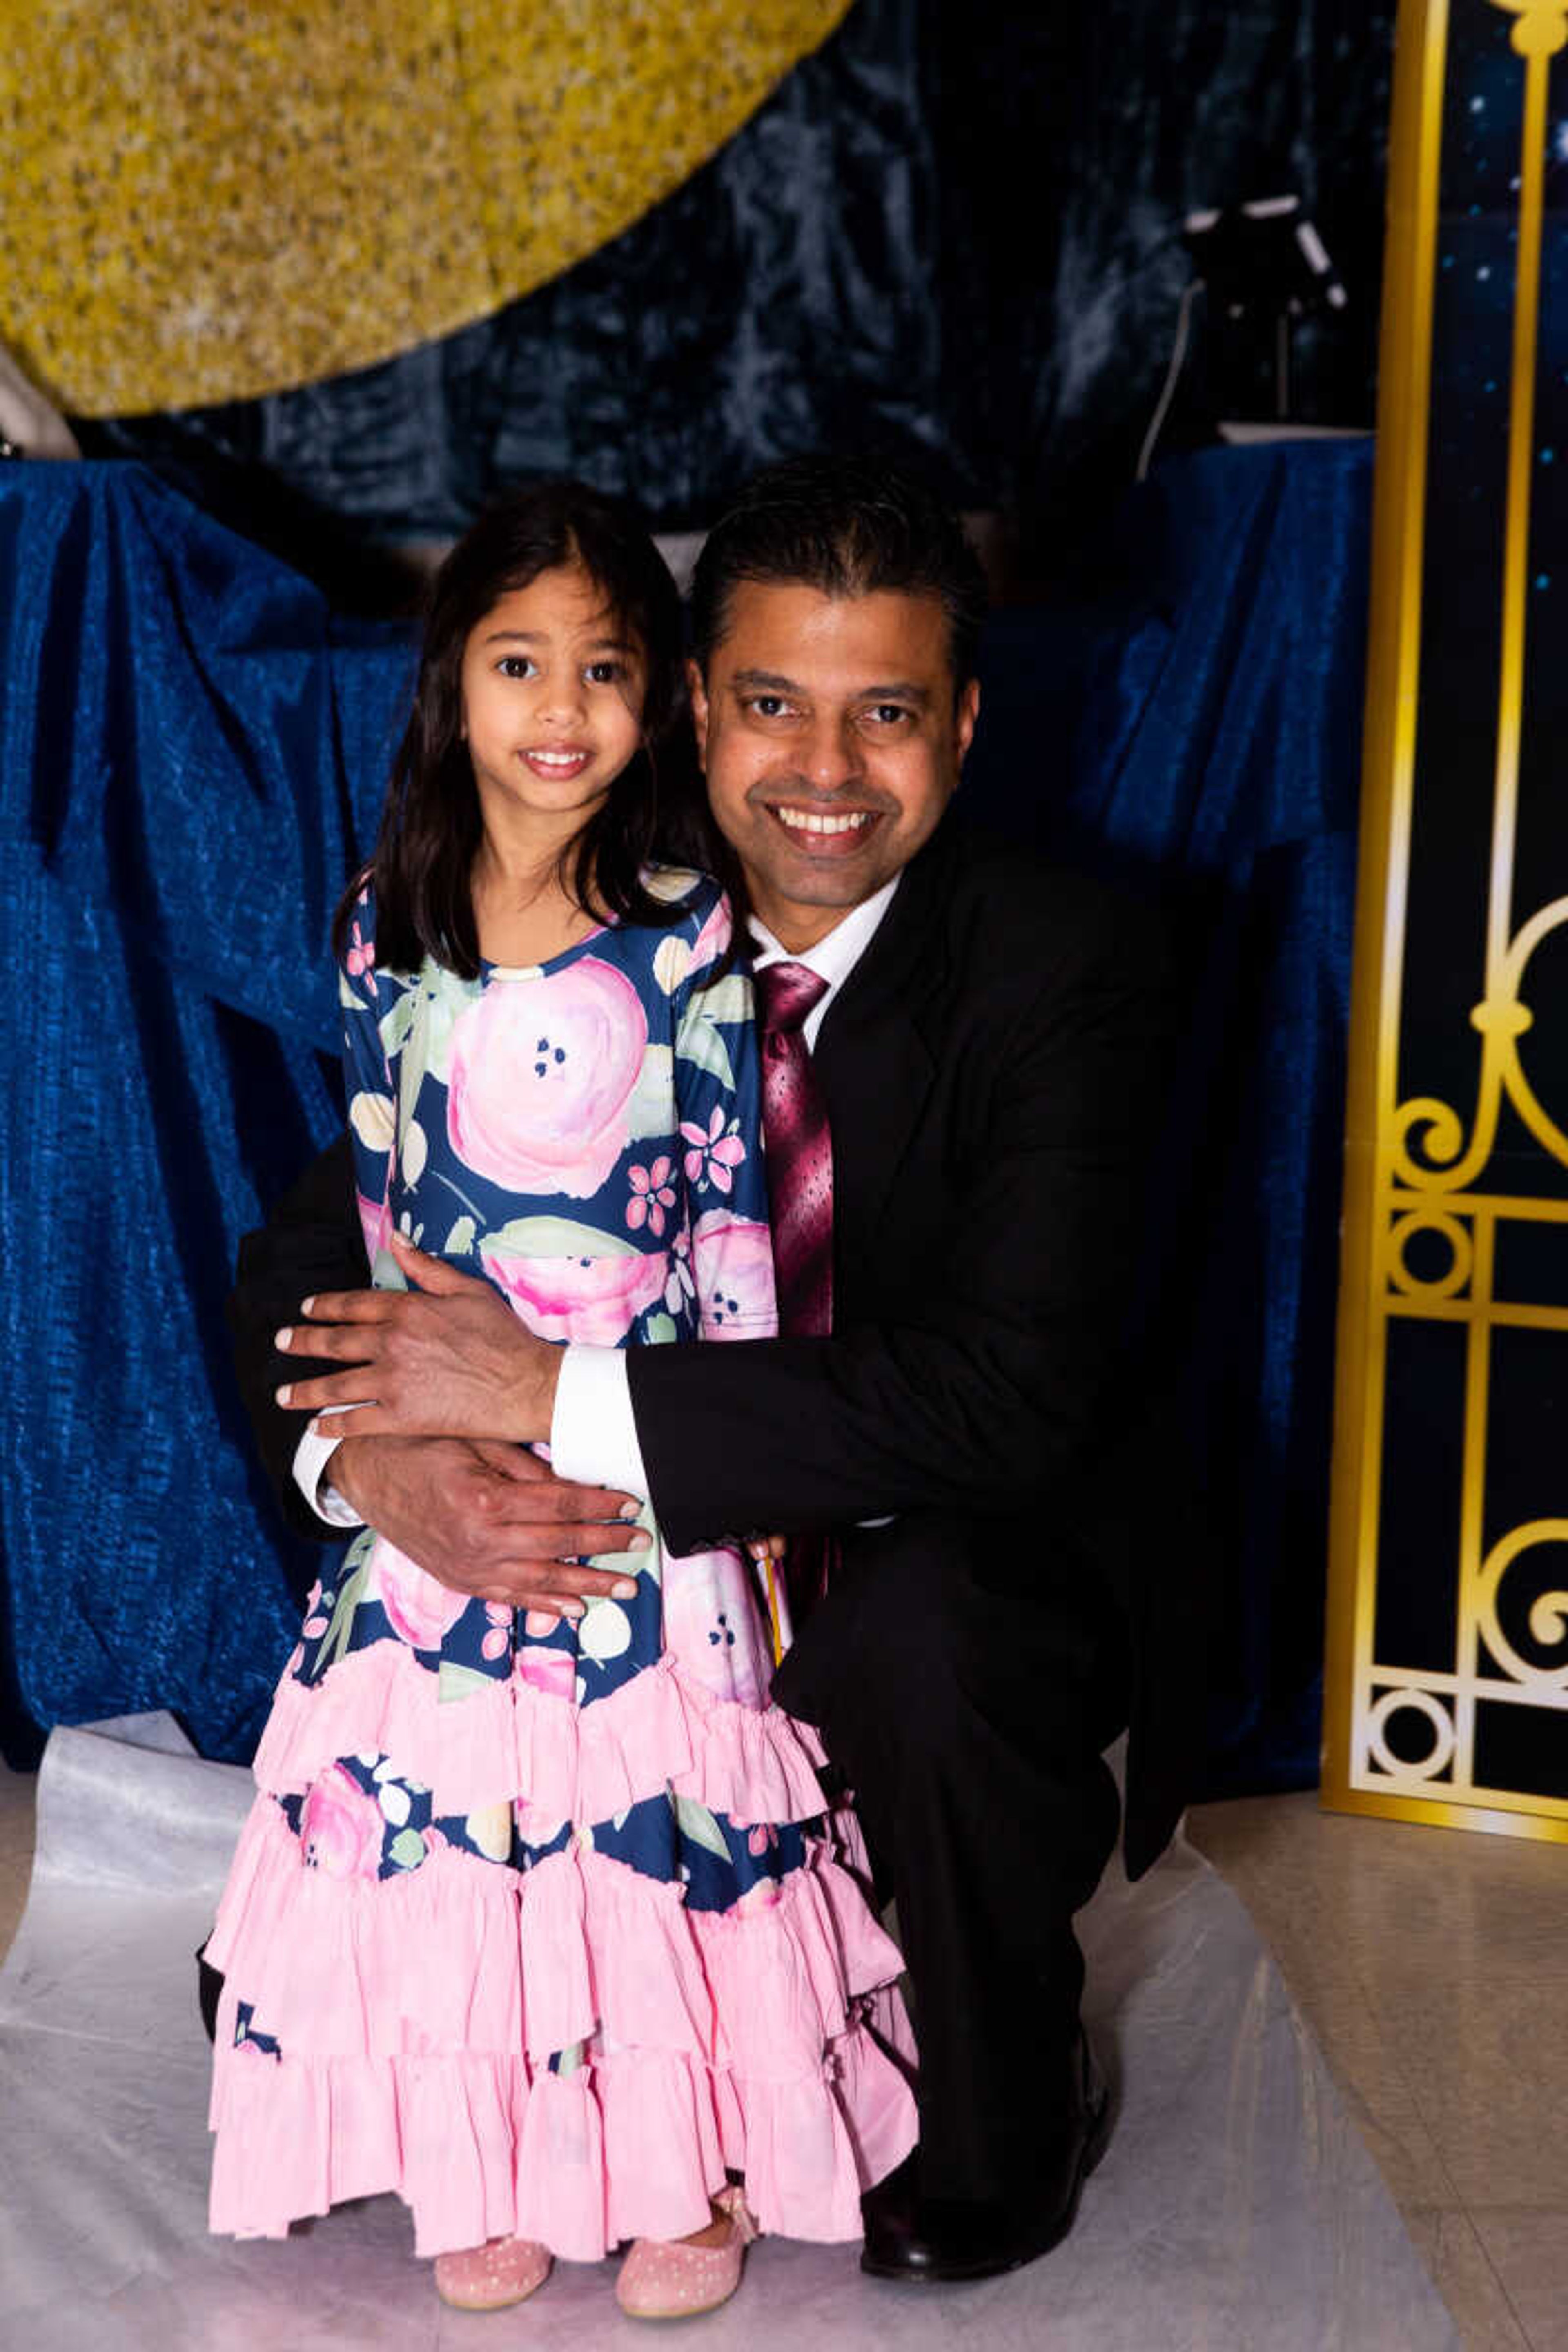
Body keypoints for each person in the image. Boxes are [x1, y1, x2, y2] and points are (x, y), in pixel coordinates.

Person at [232, 453, 1180, 2286]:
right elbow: (314, 1247)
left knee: (928, 1646)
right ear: (690, 703)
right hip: (609, 1601)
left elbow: (1005, 1399)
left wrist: (544, 1396)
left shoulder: (1073, 964)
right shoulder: (582, 926)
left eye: (885, 714)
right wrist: (384, 1467)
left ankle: (995, 2055)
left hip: (928, 1553)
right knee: (295, 2006)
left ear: (966, 729)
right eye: (769, 706)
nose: (823, 773)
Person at [205, 480, 917, 2321]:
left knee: (646, 1827)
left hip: (634, 1446)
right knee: (461, 1820)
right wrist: (392, 1433)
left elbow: (731, 1224)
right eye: (518, 663)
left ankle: (687, 2170)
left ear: (660, 695)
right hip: (454, 1451)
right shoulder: (385, 922)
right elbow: (372, 1196)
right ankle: (490, 2159)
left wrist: (732, 1502)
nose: (560, 709)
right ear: (451, 686)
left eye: (604, 669)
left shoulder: (683, 932)